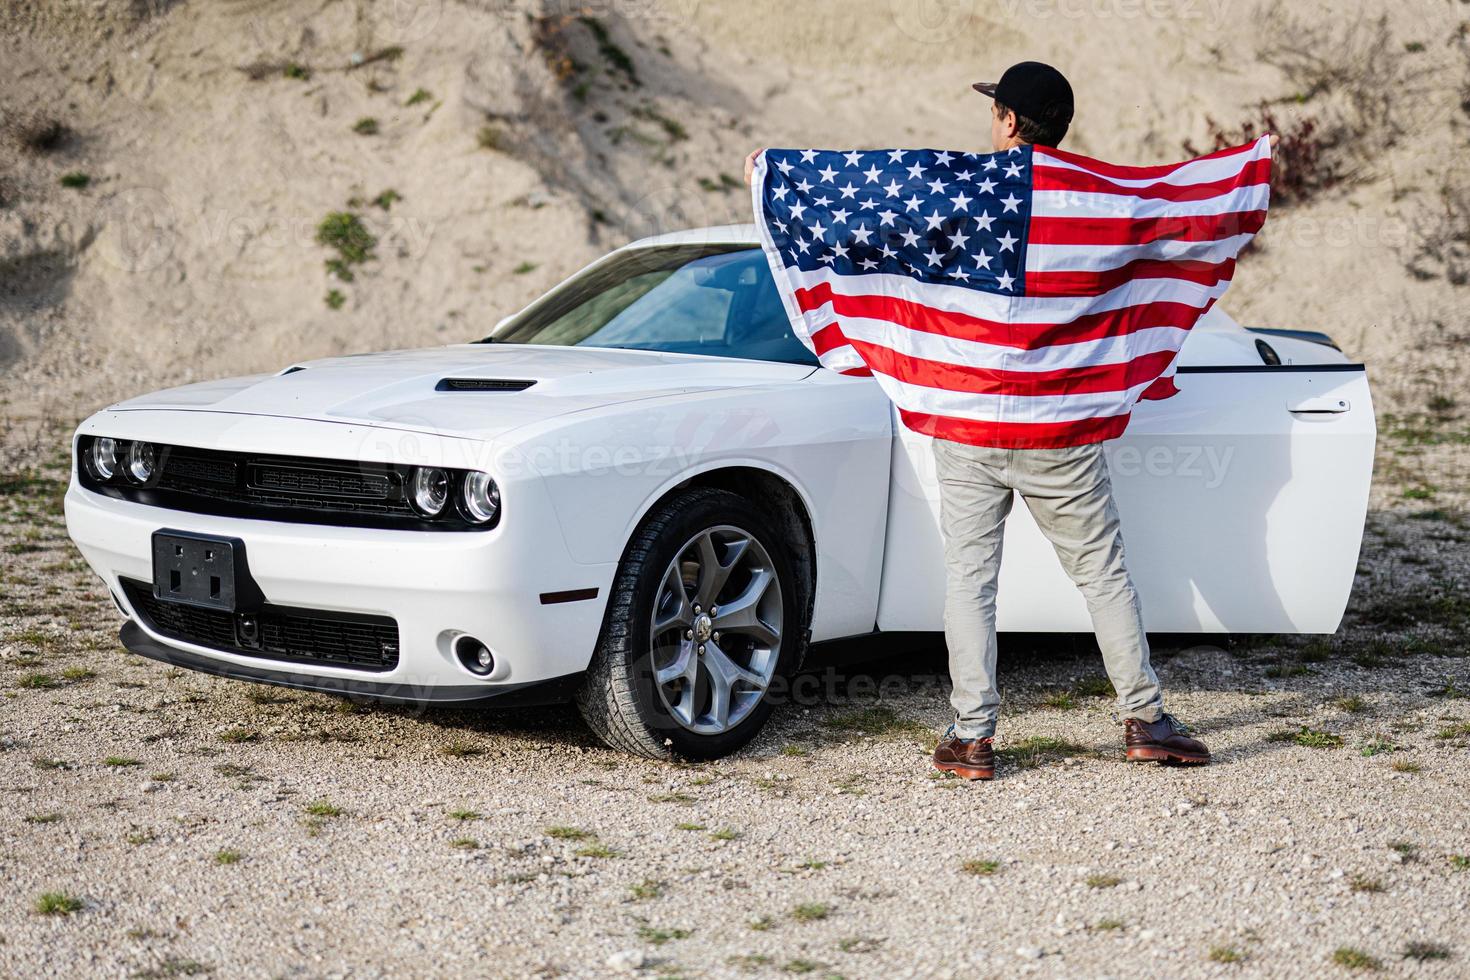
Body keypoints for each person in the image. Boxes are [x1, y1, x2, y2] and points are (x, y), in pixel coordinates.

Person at [746, 61, 1223, 780]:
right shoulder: (1100, 201)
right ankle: (1147, 720)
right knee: (1103, 575)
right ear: (1059, 125)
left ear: (1006, 121)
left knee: (971, 582)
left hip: (966, 424)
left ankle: (972, 736)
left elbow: (877, 194)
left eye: (995, 110)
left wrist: (778, 173)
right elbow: (1174, 218)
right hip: (1060, 432)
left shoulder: (957, 187)